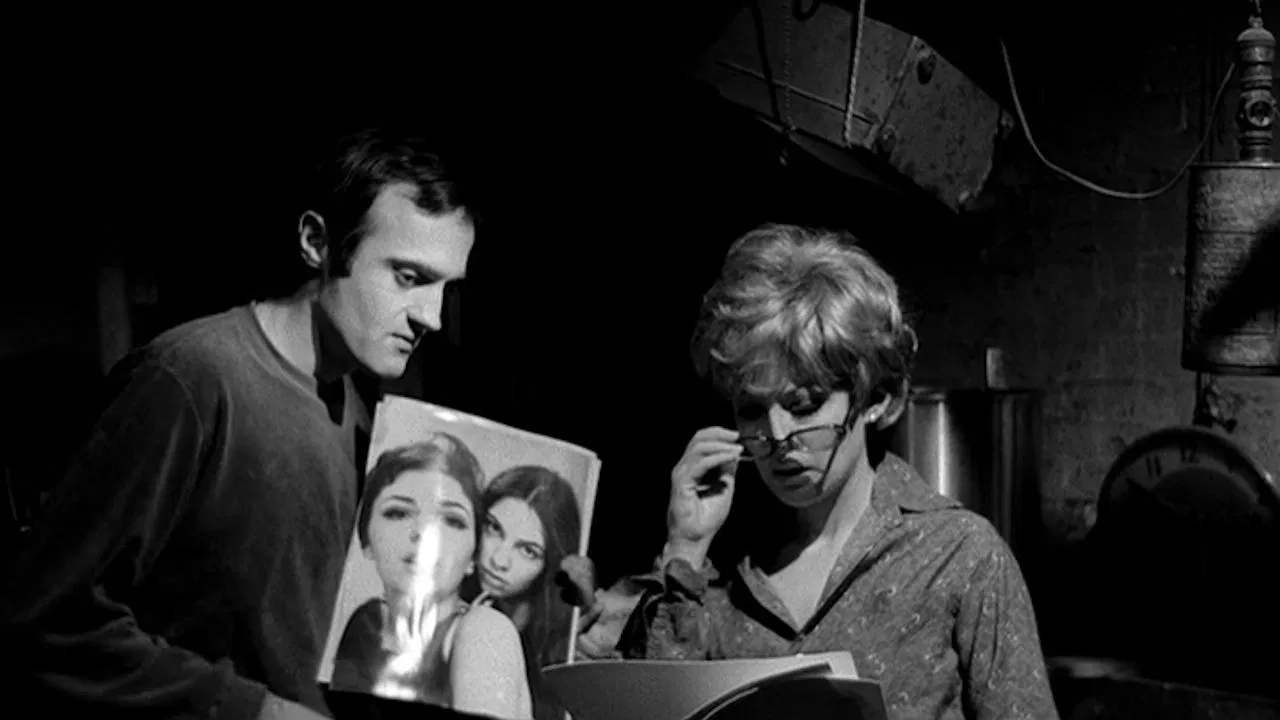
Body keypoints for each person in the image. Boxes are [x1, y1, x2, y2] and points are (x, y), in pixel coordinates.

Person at [0, 128, 478, 720]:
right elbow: (47, 616)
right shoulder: (191, 378)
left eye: (446, 287)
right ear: (316, 243)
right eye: (408, 277)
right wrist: (255, 709)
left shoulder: (357, 403)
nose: (432, 317)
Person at [565, 224, 1060, 720]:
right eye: (752, 410)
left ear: (876, 399)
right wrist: (685, 549)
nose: (778, 436)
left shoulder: (959, 555)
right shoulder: (718, 570)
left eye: (804, 406)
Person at [330, 436, 531, 719]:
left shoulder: (484, 632)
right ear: (365, 540)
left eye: (452, 520)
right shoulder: (365, 623)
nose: (424, 532)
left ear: (473, 557)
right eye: (398, 513)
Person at [468, 465, 582, 720]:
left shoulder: (560, 646)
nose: (499, 560)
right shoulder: (458, 602)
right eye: (494, 528)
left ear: (551, 565)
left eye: (528, 551)